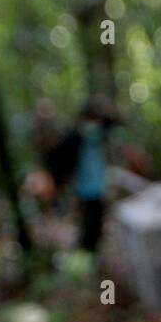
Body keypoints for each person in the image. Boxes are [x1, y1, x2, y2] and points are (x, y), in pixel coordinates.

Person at [35, 96, 119, 253]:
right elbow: (57, 158)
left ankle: (89, 251)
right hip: (87, 187)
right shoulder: (77, 135)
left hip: (92, 186)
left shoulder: (84, 134)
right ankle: (87, 252)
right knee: (91, 222)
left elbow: (111, 124)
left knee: (94, 221)